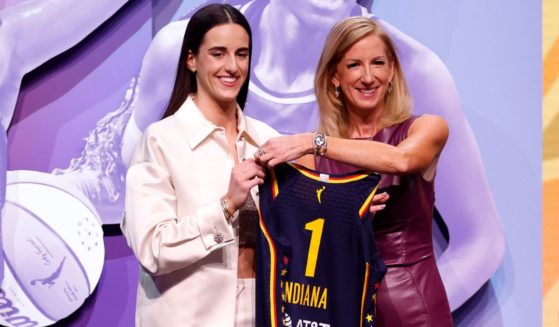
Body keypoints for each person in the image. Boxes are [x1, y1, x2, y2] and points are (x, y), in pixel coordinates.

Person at [255, 17, 453, 326]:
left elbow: (400, 161)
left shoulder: (426, 128)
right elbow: (300, 241)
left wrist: (314, 142)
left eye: (378, 63)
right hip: (342, 304)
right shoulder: (313, 161)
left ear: (392, 73)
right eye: (354, 65)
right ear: (334, 76)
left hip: (410, 303)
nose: (368, 77)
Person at [120, 4, 278, 326]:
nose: (232, 66)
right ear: (191, 59)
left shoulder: (267, 139)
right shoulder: (160, 141)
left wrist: (350, 209)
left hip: (260, 310)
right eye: (218, 54)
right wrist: (226, 205)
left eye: (242, 54)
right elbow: (153, 249)